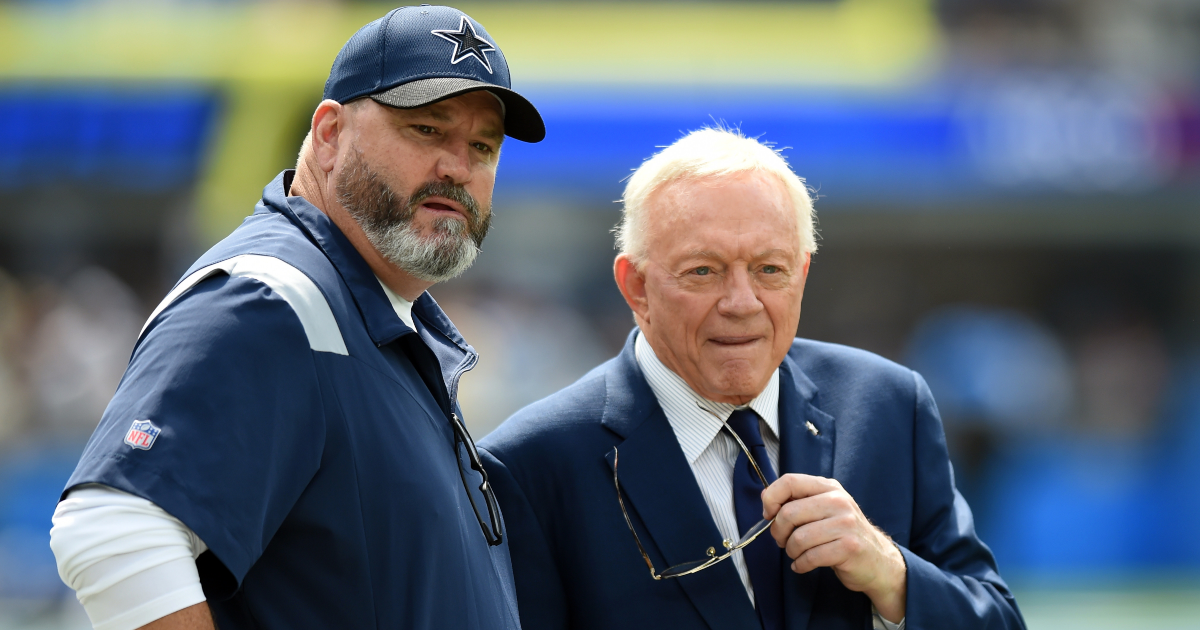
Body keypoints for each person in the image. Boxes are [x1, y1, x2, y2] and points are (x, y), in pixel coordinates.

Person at [49, 6, 544, 629]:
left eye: (482, 146)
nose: (457, 166)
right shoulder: (273, 297)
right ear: (331, 133)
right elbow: (110, 530)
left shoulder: (367, 311)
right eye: (426, 129)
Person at [478, 128, 1026, 630]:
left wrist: (890, 574)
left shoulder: (889, 404)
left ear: (803, 274)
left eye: (769, 269)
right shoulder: (529, 465)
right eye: (703, 271)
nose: (742, 303)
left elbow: (997, 619)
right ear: (636, 287)